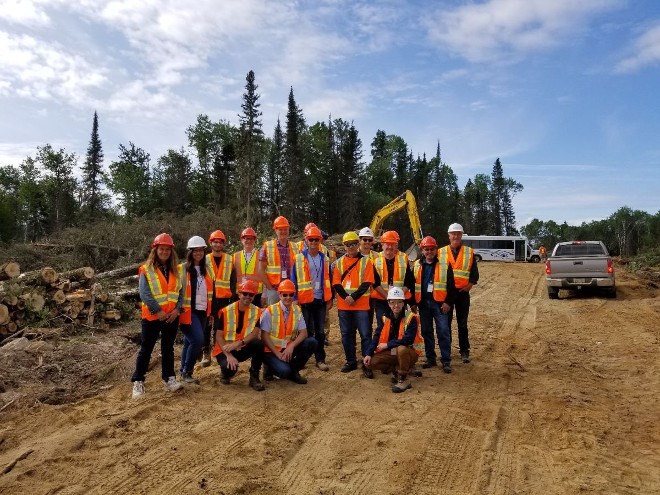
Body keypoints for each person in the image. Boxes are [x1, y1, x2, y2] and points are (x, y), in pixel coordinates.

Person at [131, 233, 183, 399]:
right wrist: (158, 311)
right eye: (162, 249)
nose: (165, 252)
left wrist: (177, 310)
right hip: (153, 317)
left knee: (168, 348)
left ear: (171, 251)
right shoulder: (146, 269)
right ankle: (138, 381)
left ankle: (169, 378)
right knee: (146, 349)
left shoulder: (176, 269)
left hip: (171, 317)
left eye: (167, 249)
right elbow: (144, 293)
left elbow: (181, 292)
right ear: (156, 250)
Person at [363, 287, 424, 393]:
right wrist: (368, 353)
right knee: (371, 362)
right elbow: (377, 336)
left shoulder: (410, 317)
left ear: (403, 302)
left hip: (410, 352)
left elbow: (407, 340)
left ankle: (403, 379)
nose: (396, 305)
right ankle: (396, 368)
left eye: (399, 302)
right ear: (388, 303)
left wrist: (387, 345)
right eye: (393, 302)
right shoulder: (386, 317)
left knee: (401, 349)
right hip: (393, 351)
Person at [332, 231, 375, 378]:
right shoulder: (338, 263)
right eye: (348, 244)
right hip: (345, 307)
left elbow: (367, 282)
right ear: (344, 246)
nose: (351, 247)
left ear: (358, 244)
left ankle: (366, 363)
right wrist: (347, 297)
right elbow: (336, 283)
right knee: (346, 335)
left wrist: (353, 297)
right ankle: (350, 361)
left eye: (354, 244)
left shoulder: (366, 261)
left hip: (361, 305)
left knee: (365, 335)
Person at [291, 226, 333, 371]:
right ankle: (304, 358)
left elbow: (329, 279)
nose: (314, 242)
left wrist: (330, 298)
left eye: (316, 239)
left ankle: (320, 359)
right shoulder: (299, 258)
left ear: (320, 241)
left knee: (320, 331)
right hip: (305, 300)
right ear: (306, 241)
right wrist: (295, 297)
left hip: (320, 300)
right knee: (306, 331)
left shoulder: (325, 259)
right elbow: (293, 279)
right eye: (311, 239)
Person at [260, 279, 317, 384]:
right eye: (285, 295)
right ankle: (272, 368)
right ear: (280, 294)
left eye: (291, 295)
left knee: (312, 342)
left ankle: (293, 371)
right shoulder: (270, 311)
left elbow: (304, 333)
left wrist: (291, 346)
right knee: (284, 371)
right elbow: (264, 336)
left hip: (287, 348)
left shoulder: (297, 310)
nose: (288, 298)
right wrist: (277, 354)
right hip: (272, 351)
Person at [413, 235, 456, 373]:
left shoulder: (444, 264)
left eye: (431, 249)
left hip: (440, 305)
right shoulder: (416, 265)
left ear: (436, 249)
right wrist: (413, 303)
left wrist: (448, 302)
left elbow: (451, 285)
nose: (429, 252)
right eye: (426, 249)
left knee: (443, 331)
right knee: (427, 332)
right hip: (423, 304)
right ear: (422, 250)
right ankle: (430, 358)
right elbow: (412, 284)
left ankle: (446, 360)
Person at [212, 280, 265, 391]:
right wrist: (228, 355)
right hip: (225, 349)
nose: (247, 296)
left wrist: (239, 343)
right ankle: (225, 374)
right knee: (230, 369)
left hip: (241, 346)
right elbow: (219, 336)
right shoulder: (226, 311)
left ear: (254, 296)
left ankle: (254, 377)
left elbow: (255, 333)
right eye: (245, 293)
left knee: (259, 344)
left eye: (251, 294)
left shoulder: (256, 311)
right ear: (239, 294)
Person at [441, 223, 479, 364]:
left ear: (461, 235)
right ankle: (447, 351)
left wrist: (469, 286)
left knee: (462, 324)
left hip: (463, 294)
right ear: (449, 235)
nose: (455, 236)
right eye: (453, 233)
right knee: (446, 324)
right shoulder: (441, 252)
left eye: (458, 233)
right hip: (448, 295)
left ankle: (464, 351)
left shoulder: (469, 252)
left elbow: (474, 274)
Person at [178, 235, 213, 384]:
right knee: (198, 340)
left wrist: (210, 312)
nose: (198, 253)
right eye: (195, 250)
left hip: (203, 311)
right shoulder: (182, 269)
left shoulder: (207, 269)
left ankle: (182, 371)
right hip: (187, 311)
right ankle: (187, 371)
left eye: (201, 250)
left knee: (188, 342)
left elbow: (212, 292)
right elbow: (176, 290)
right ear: (190, 252)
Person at [201, 229, 236, 366]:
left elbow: (233, 280)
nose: (217, 244)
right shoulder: (205, 259)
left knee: (219, 327)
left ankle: (217, 351)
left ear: (223, 244)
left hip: (224, 299)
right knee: (206, 326)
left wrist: (233, 297)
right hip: (208, 298)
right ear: (211, 243)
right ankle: (205, 352)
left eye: (220, 242)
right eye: (215, 242)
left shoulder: (229, 259)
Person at [371, 230, 416, 337]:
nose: (390, 247)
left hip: (399, 301)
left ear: (397, 245)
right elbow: (375, 283)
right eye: (387, 244)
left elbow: (409, 281)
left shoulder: (404, 258)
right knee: (383, 325)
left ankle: (398, 348)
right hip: (382, 300)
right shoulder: (376, 259)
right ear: (382, 245)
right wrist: (388, 297)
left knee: (400, 326)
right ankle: (384, 349)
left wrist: (397, 297)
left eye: (393, 244)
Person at [258, 216, 299, 306]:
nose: (283, 231)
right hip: (274, 290)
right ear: (275, 230)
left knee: (290, 318)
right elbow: (260, 270)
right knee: (274, 317)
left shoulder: (295, 247)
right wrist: (269, 288)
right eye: (280, 229)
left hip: (290, 291)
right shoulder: (267, 246)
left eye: (285, 229)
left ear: (288, 230)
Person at [233, 227, 264, 308]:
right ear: (242, 240)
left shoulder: (261, 255)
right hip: (240, 294)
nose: (249, 241)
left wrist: (264, 294)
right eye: (246, 238)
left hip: (256, 294)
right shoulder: (235, 256)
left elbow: (265, 275)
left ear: (254, 240)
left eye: (251, 239)